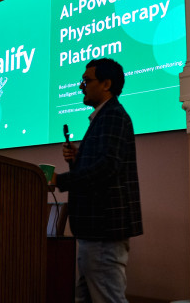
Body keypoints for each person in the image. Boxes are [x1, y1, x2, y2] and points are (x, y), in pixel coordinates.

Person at [52, 58, 143, 303]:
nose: (82, 86)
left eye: (86, 81)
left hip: (104, 230)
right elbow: (104, 163)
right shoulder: (104, 117)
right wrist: (79, 157)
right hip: (96, 231)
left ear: (106, 84)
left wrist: (59, 179)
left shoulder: (112, 115)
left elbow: (106, 168)